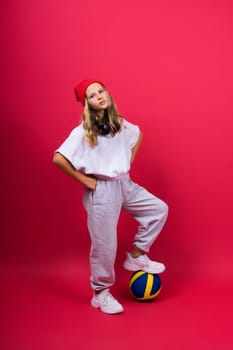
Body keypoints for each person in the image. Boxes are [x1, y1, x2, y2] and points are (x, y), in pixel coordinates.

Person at [53, 79, 168, 314]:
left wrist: (127, 162)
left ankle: (137, 255)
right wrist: (86, 181)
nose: (99, 96)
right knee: (105, 246)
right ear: (87, 103)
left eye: (101, 91)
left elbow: (138, 135)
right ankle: (100, 293)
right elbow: (58, 158)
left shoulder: (118, 123)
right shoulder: (83, 131)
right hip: (102, 191)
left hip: (124, 184)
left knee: (158, 209)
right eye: (93, 95)